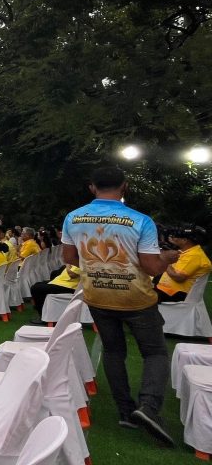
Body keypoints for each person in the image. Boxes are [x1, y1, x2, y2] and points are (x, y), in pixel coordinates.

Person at [62, 166, 176, 444]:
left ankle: (125, 411)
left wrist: (97, 267)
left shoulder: (73, 217)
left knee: (113, 351)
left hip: (97, 295)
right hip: (136, 297)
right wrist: (168, 258)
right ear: (124, 186)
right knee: (155, 353)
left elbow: (70, 257)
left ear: (92, 187)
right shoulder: (140, 220)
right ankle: (148, 407)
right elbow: (151, 267)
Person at [154, 226, 210, 303]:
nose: (173, 237)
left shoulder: (195, 255)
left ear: (184, 240)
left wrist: (166, 262)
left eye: (176, 236)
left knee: (140, 296)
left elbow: (178, 277)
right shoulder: (187, 252)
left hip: (175, 293)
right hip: (166, 290)